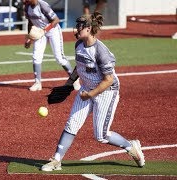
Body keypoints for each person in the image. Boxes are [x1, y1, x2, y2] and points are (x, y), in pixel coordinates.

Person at [41, 12, 145, 171]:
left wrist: (90, 95)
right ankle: (56, 160)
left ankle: (131, 147)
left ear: (88, 29)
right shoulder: (79, 45)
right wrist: (69, 84)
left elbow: (108, 79)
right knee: (72, 124)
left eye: (80, 27)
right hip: (86, 88)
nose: (76, 29)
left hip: (106, 92)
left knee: (101, 136)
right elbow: (79, 66)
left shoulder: (100, 52)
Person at [24, 0, 74, 91]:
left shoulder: (42, 5)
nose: (24, 0)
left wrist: (44, 31)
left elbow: (56, 20)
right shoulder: (27, 7)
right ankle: (37, 83)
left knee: (59, 58)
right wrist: (29, 37)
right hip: (40, 32)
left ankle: (74, 79)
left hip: (52, 30)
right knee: (36, 56)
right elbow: (30, 22)